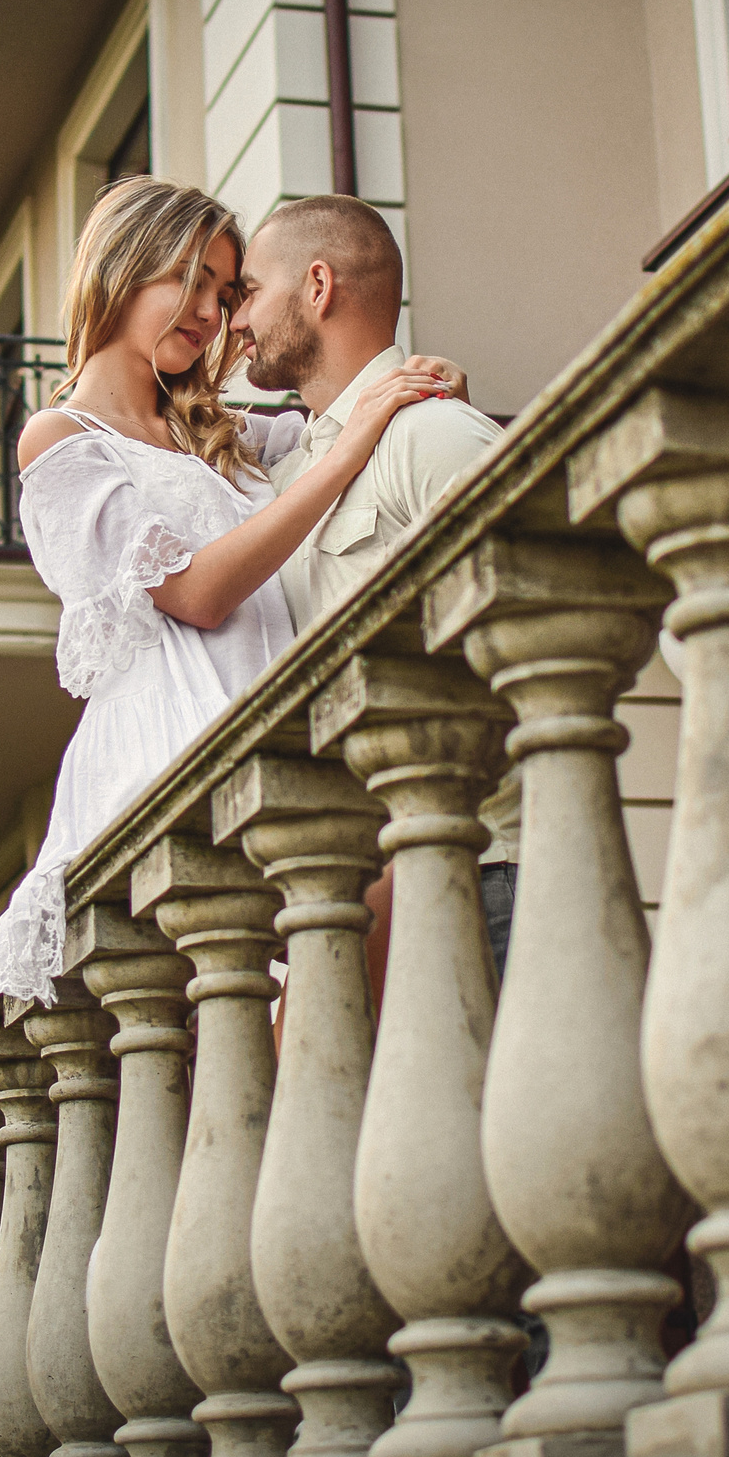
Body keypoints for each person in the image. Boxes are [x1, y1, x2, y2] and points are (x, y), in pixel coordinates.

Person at [0, 177, 469, 1006]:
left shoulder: (220, 429)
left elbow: (334, 415)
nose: (210, 311)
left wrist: (419, 385)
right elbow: (199, 593)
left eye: (225, 288)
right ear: (122, 272)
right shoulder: (59, 440)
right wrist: (356, 444)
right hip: (174, 736)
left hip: (275, 716)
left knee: (337, 994)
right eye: (189, 279)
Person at [229, 195, 521, 974]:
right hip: (357, 894)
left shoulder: (433, 432)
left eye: (249, 291)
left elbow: (533, 621)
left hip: (484, 872)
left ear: (317, 286)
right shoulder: (291, 476)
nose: (234, 320)